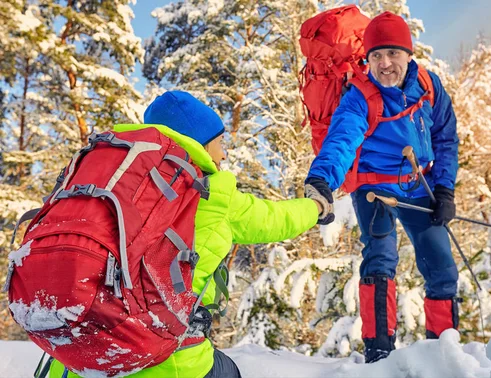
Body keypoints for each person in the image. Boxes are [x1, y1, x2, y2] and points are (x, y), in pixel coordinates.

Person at [48, 91, 331, 377]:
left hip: (76, 357)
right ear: (199, 144)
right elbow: (277, 219)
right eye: (219, 143)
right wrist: (316, 206)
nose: (223, 153)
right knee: (227, 371)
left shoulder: (105, 188)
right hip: (164, 360)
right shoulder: (212, 194)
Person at [303, 11, 460, 363]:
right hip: (375, 188)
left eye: (392, 54)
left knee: (442, 265)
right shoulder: (359, 97)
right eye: (376, 56)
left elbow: (445, 138)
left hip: (420, 184)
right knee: (380, 259)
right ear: (367, 58)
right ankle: (379, 355)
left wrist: (445, 189)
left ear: (409, 54)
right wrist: (321, 181)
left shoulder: (430, 87)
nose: (385, 63)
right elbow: (341, 139)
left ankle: (445, 351)